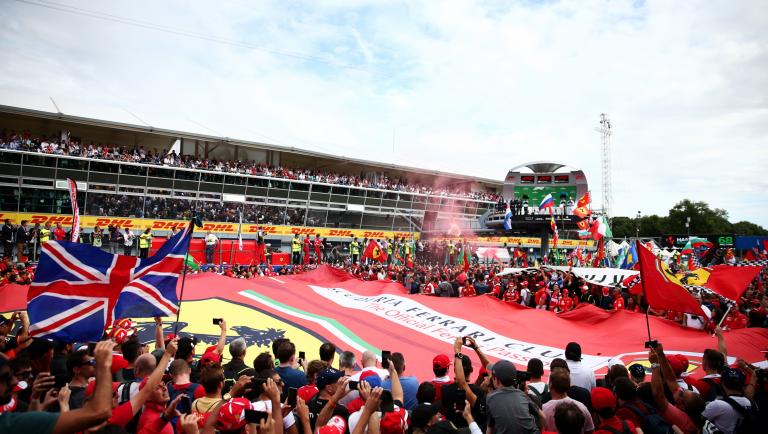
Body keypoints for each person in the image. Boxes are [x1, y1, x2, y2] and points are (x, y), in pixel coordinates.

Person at [0, 340, 115, 433]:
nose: (14, 381)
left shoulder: (8, 421)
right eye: (5, 377)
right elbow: (99, 412)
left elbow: (31, 427)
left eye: (11, 375)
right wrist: (103, 366)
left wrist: (35, 398)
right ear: (76, 369)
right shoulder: (6, 423)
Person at [485, 360, 541, 434]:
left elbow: (489, 430)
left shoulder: (490, 398)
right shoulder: (522, 395)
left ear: (496, 380)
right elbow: (542, 416)